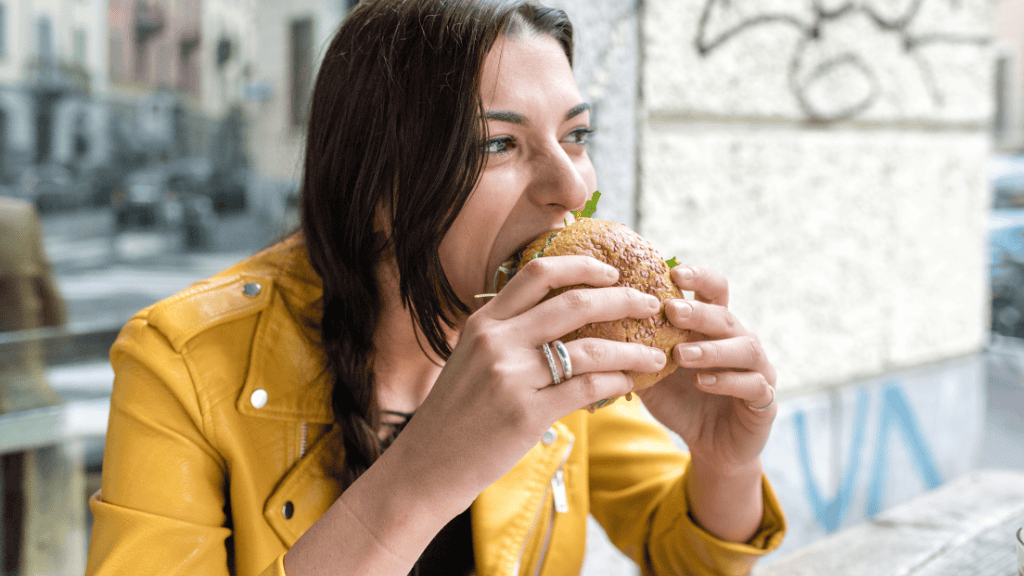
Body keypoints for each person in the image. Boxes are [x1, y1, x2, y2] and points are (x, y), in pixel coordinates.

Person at [85, 1, 786, 575]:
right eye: (497, 145)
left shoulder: (562, 339)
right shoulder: (178, 362)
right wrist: (424, 475)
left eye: (576, 135)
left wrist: (726, 461)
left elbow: (687, 555)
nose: (572, 187)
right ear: (375, 184)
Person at [0, 196, 67, 575]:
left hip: (22, 401)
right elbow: (55, 313)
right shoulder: (17, 217)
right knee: (24, 518)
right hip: (24, 396)